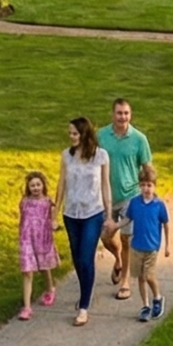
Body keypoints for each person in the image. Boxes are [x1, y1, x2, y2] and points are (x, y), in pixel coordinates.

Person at [96, 97, 153, 302]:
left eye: (126, 113)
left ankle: (125, 281)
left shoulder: (139, 139)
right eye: (119, 113)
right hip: (106, 196)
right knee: (106, 236)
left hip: (131, 195)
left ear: (131, 115)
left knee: (127, 239)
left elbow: (147, 167)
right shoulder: (101, 136)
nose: (123, 117)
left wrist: (151, 193)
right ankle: (118, 259)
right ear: (113, 114)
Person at [58, 117, 111, 326]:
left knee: (86, 257)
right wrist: (55, 212)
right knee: (77, 258)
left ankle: (84, 306)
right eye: (70, 133)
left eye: (74, 133)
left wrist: (109, 214)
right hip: (71, 213)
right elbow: (61, 184)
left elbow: (105, 186)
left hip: (93, 212)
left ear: (84, 134)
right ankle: (84, 291)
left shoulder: (100, 156)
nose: (71, 137)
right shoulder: (66, 156)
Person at [125, 163, 171, 322]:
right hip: (137, 246)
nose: (146, 188)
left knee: (149, 275)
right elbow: (127, 218)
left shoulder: (159, 205)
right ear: (139, 185)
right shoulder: (134, 203)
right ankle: (145, 306)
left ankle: (157, 297)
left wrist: (167, 246)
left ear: (154, 186)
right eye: (143, 185)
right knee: (140, 277)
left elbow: (165, 224)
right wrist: (114, 226)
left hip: (152, 246)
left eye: (149, 185)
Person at [16, 170, 59, 320]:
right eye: (32, 185)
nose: (35, 188)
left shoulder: (48, 202)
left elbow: (53, 219)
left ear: (43, 185)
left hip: (42, 240)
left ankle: (50, 289)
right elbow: (23, 221)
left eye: (38, 185)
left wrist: (54, 224)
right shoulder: (24, 202)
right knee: (27, 272)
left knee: (44, 267)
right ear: (28, 187)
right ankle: (27, 307)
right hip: (27, 240)